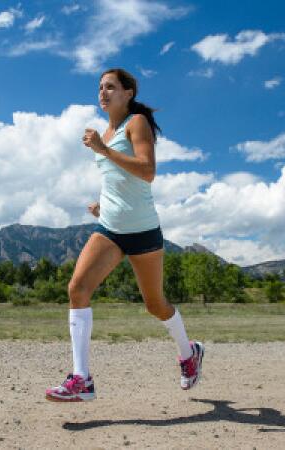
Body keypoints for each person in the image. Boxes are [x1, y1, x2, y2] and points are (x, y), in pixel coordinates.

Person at [45, 68, 204, 402]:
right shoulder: (107, 131)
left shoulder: (136, 124)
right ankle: (81, 379)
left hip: (144, 232)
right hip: (111, 231)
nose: (103, 92)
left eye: (111, 87)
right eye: (100, 87)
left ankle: (188, 354)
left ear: (128, 92)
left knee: (155, 305)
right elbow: (119, 182)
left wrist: (103, 150)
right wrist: (104, 206)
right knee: (77, 288)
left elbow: (147, 172)